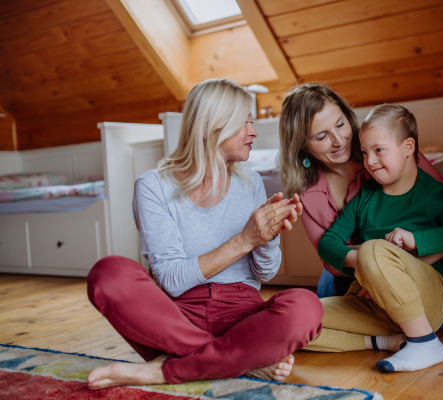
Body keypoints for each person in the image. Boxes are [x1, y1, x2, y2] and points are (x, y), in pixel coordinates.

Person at [85, 79, 323, 390]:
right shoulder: (153, 186)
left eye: (251, 122)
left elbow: (264, 272)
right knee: (108, 273)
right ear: (210, 127)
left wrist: (267, 237)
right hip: (177, 317)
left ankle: (166, 369)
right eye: (244, 123)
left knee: (307, 306)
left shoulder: (251, 181)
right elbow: (170, 279)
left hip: (242, 312)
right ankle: (242, 360)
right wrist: (246, 239)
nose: (253, 132)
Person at [310, 104, 443, 372]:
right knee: (292, 320)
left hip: (427, 301)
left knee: (372, 249)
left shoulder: (431, 194)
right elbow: (327, 243)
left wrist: (417, 239)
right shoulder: (366, 196)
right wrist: (373, 274)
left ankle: (425, 342)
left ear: (408, 148)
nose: (369, 161)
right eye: (366, 152)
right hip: (373, 305)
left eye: (379, 150)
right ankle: (388, 341)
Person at [278, 82, 443, 302]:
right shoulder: (303, 192)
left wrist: (392, 269)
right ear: (303, 145)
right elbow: (329, 258)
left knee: (414, 320)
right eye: (322, 136)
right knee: (328, 323)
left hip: (421, 260)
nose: (338, 140)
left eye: (340, 124)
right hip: (347, 270)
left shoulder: (392, 151)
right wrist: (373, 267)